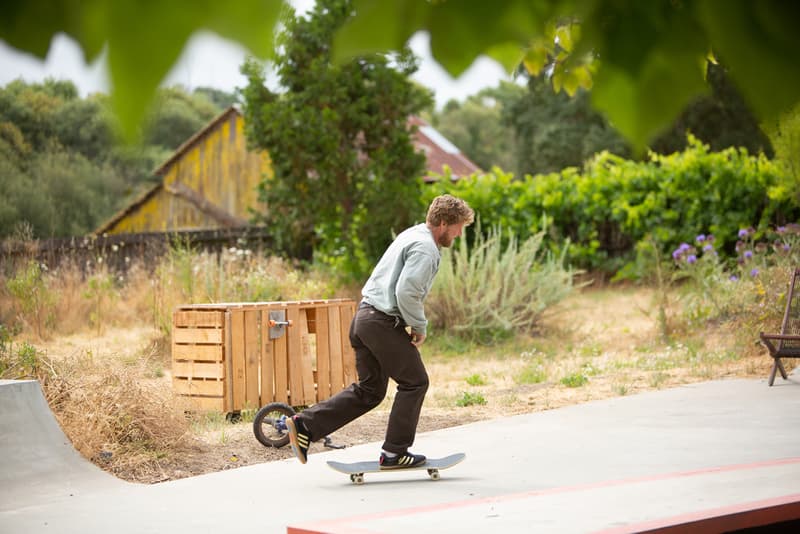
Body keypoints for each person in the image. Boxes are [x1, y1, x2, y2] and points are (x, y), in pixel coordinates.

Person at [286, 194, 474, 469]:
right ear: (444, 223)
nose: (459, 234)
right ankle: (395, 453)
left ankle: (304, 425)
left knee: (370, 391)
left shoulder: (412, 234)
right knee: (415, 382)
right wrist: (419, 326)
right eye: (458, 228)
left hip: (364, 318)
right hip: (381, 323)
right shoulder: (426, 248)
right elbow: (406, 292)